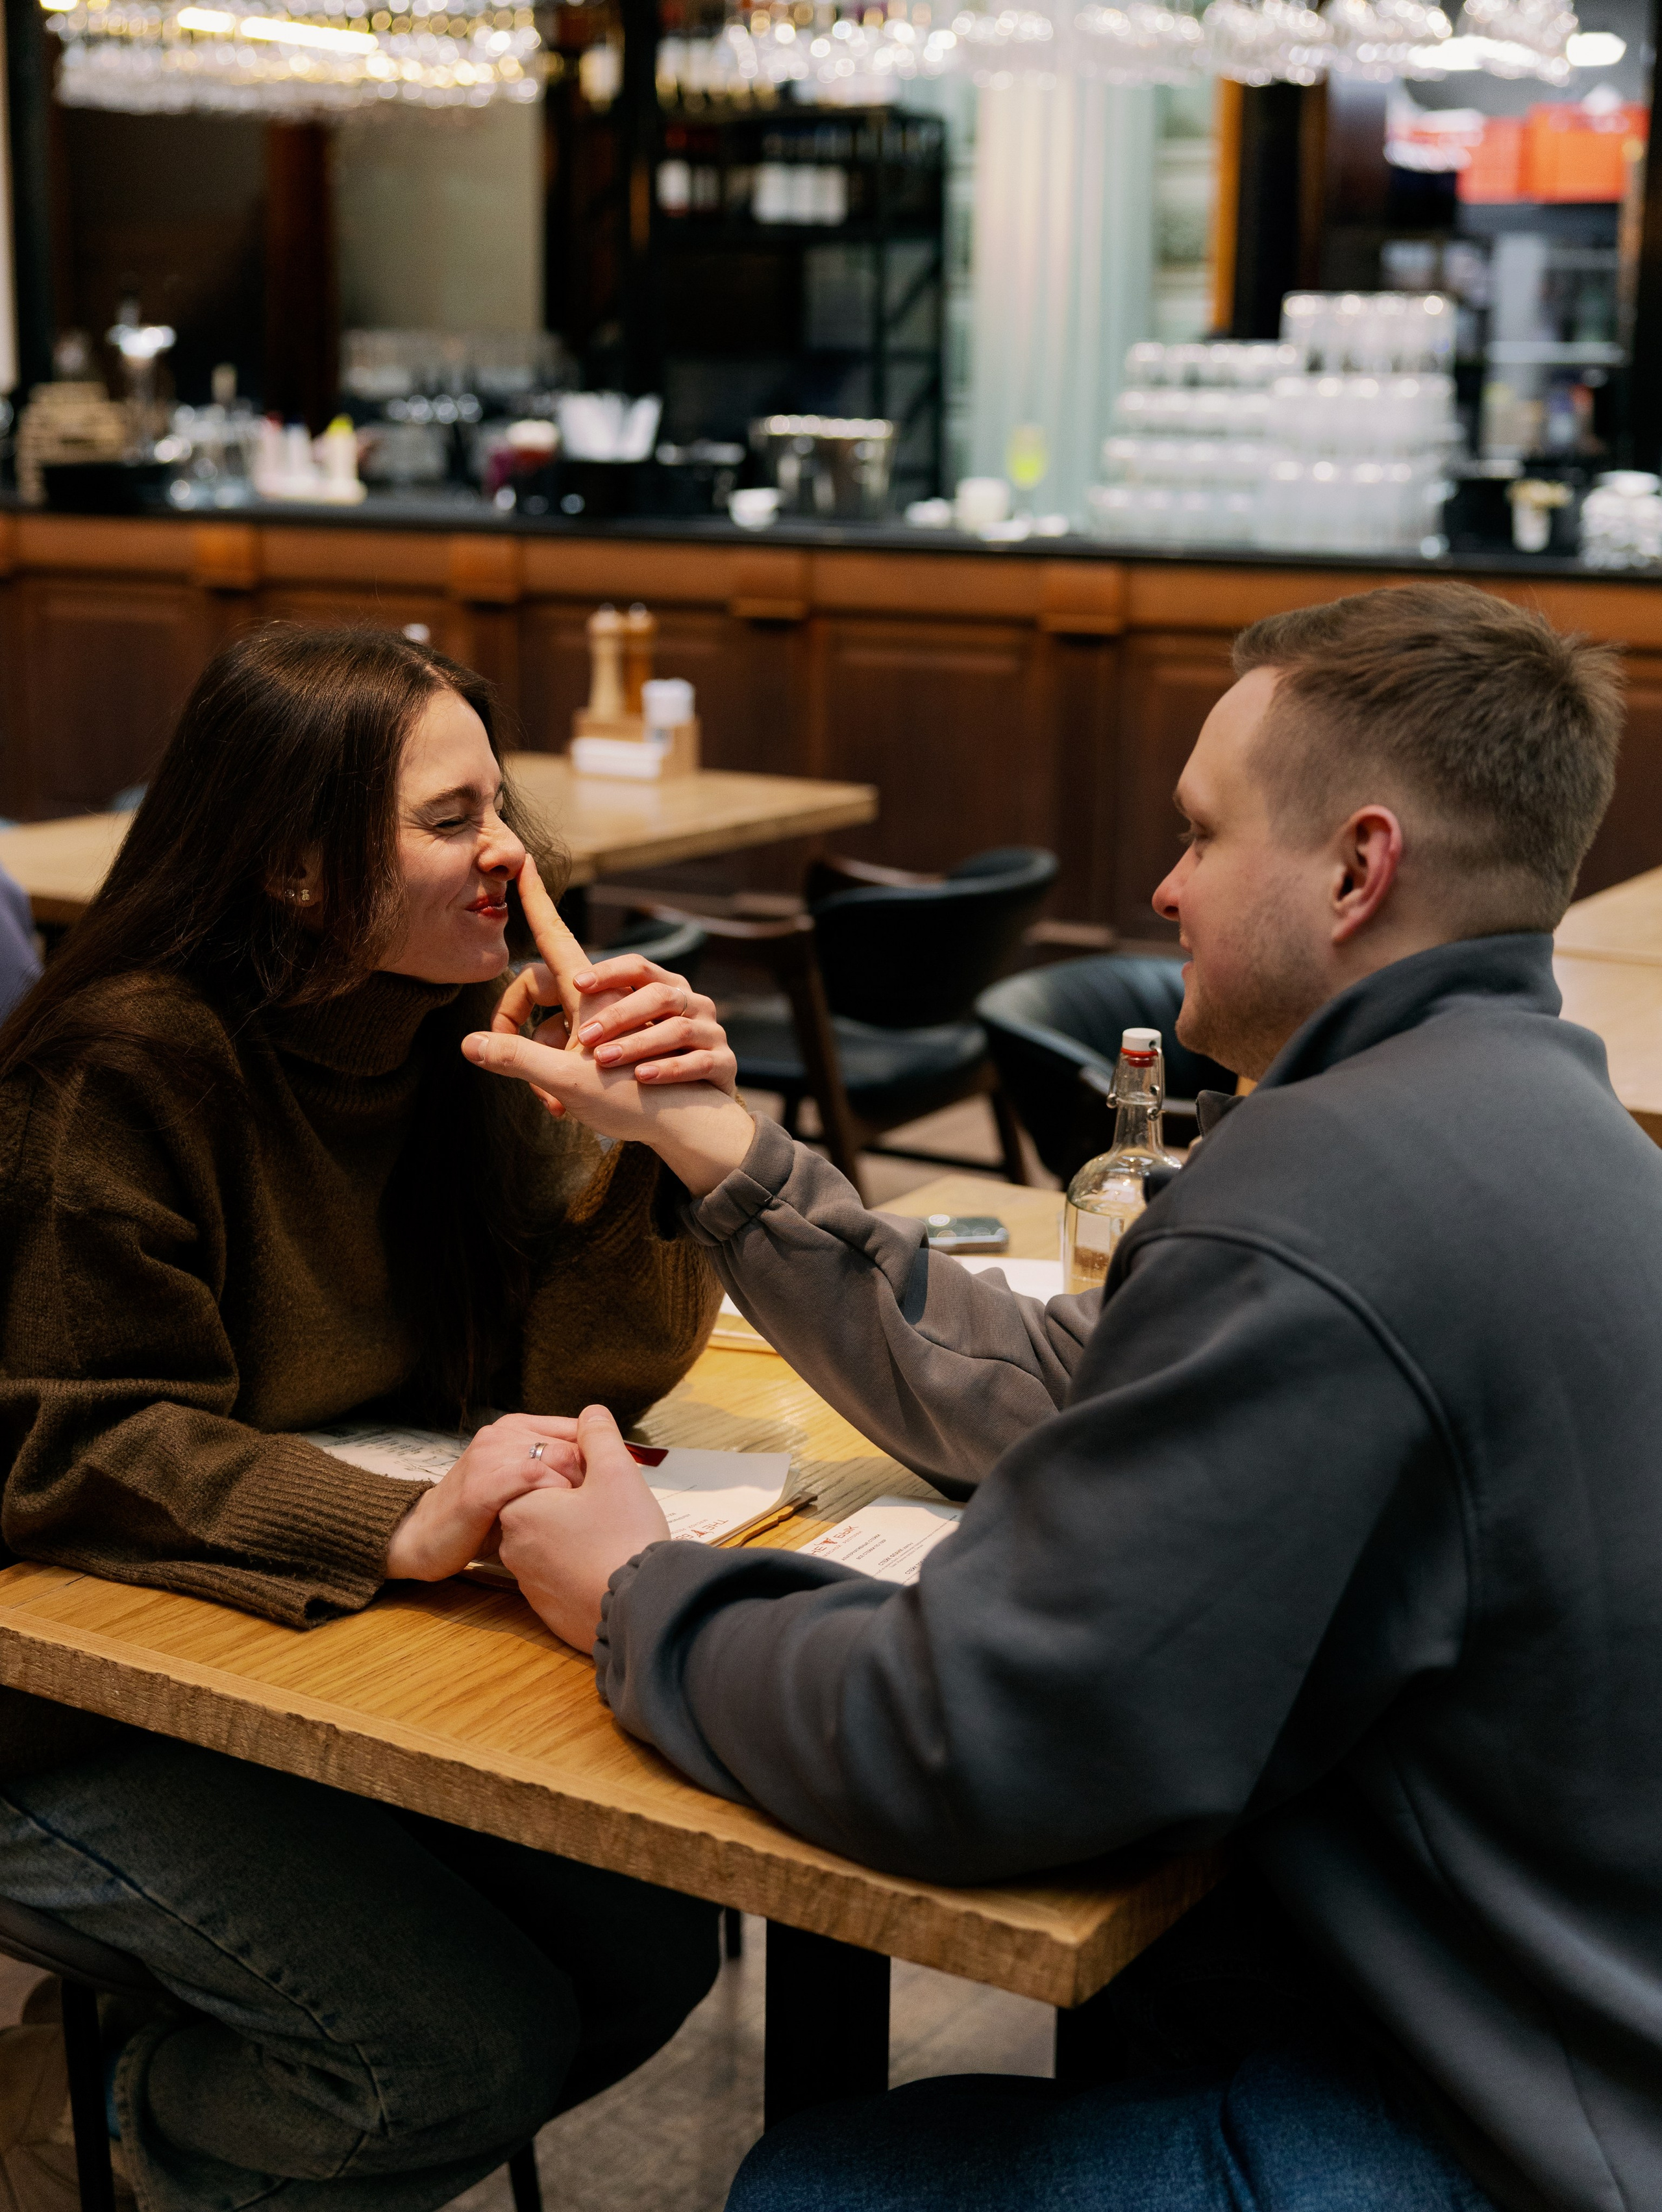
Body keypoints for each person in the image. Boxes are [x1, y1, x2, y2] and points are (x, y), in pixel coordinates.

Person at [463, 581, 1662, 2212]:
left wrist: (634, 1593)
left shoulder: (1321, 1189)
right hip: (1566, 2036)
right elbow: (1059, 1390)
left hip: (1515, 2133)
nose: (1161, 885)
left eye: (1198, 832)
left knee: (815, 2192)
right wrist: (714, 1147)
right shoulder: (1543, 1121)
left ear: (1355, 866)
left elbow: (978, 1744)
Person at [0, 626, 739, 2212]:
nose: (510, 855)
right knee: (445, 2058)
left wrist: (656, 1146)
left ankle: (179, 2087)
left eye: (501, 805)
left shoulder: (449, 1037)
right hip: (57, 1700)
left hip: (275, 1657)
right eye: (451, 818)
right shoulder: (127, 1066)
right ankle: (92, 2130)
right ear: (286, 865)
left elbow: (572, 1376)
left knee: (652, 1941)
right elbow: (68, 1439)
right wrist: (389, 1521)